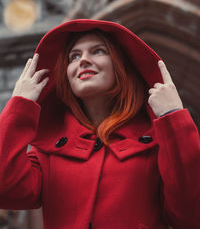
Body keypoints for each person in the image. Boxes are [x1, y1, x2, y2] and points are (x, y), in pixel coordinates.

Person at [0, 19, 199, 229]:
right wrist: (19, 106)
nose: (83, 60)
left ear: (121, 66)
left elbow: (190, 215)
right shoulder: (49, 151)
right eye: (74, 56)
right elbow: (5, 189)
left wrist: (173, 115)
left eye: (98, 51)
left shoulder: (159, 143)